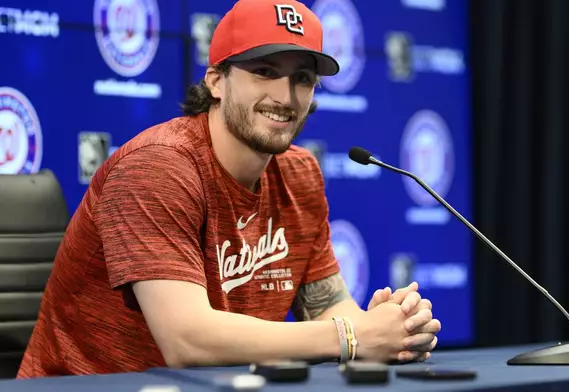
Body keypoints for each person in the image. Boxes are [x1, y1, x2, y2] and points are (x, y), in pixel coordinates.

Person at [18, 0, 441, 378]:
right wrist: (351, 337)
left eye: (303, 78)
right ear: (216, 81)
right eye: (264, 72)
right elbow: (187, 341)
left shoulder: (300, 173)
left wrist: (392, 328)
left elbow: (327, 307)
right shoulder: (157, 167)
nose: (285, 95)